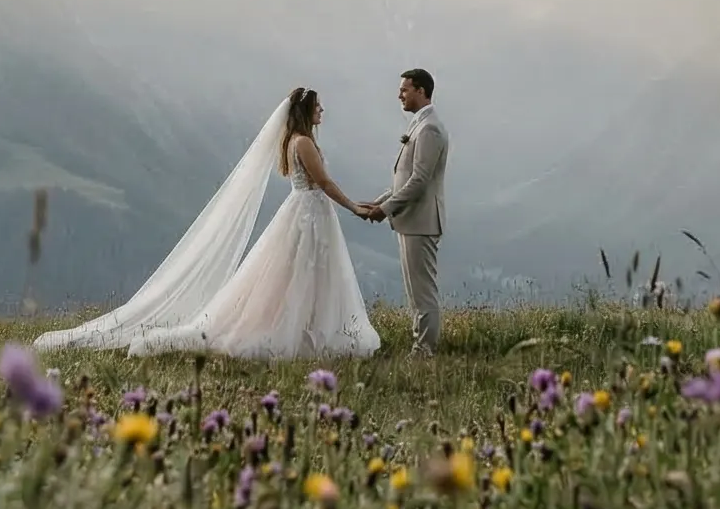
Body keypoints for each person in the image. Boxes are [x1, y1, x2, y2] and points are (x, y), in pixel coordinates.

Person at [33, 86, 381, 360]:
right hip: (309, 213)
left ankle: (308, 327)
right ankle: (303, 331)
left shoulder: (296, 141)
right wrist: (353, 207)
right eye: (318, 106)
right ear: (307, 110)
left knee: (304, 274)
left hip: (306, 212)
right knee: (306, 272)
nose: (322, 111)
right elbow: (324, 182)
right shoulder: (303, 142)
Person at [355, 67, 448, 356]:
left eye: (405, 89)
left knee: (423, 293)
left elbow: (419, 181)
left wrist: (385, 209)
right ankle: (420, 346)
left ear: (421, 91)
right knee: (416, 292)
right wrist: (380, 200)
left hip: (420, 221)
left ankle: (424, 352)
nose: (400, 95)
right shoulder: (420, 124)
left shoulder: (430, 128)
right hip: (410, 221)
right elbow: (406, 177)